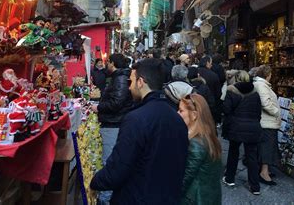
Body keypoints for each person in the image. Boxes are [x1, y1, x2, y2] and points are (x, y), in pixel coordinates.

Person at [90, 58, 189, 204]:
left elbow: (119, 167)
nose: (129, 87)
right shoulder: (176, 118)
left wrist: (94, 182)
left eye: (131, 81)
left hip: (136, 197)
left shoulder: (136, 119)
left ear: (141, 82)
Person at [91, 53, 134, 204]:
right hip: (113, 123)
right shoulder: (119, 77)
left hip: (113, 124)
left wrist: (99, 107)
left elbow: (116, 103)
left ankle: (106, 199)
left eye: (107, 62)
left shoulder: (120, 78)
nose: (105, 65)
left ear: (112, 63)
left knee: (109, 161)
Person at [222, 72, 262, 195]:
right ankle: (255, 186)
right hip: (253, 126)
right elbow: (258, 110)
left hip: (236, 126)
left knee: (233, 152)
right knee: (251, 156)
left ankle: (230, 178)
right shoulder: (255, 92)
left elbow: (227, 109)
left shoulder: (231, 91)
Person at [178, 94, 222, 204]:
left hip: (194, 199)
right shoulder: (207, 135)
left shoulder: (195, 143)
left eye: (181, 111)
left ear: (194, 115)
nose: (177, 113)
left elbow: (184, 180)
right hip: (208, 196)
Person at [253, 65, 281, 186]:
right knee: (267, 147)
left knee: (266, 147)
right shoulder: (262, 85)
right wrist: (276, 111)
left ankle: (265, 170)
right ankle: (264, 173)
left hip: (265, 121)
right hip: (267, 122)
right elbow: (265, 103)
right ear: (268, 75)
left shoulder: (259, 84)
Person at [198, 55, 222, 123]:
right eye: (211, 63)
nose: (211, 65)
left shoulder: (196, 72)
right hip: (211, 105)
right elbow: (218, 93)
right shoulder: (213, 75)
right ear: (207, 63)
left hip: (197, 104)